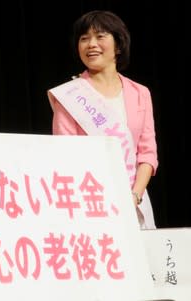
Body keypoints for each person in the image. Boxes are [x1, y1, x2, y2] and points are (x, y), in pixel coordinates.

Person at [47, 10, 158, 229]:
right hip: (92, 204)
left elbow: (147, 154)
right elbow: (66, 157)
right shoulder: (70, 97)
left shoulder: (140, 93)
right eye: (84, 38)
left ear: (118, 45)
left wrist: (134, 196)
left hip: (134, 202)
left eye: (100, 36)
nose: (91, 44)